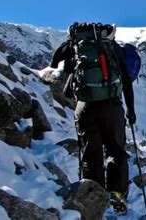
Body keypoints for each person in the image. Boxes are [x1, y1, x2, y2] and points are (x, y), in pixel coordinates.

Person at [49, 22, 136, 215]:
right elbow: (127, 81)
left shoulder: (75, 48)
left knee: (91, 153)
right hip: (111, 107)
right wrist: (131, 111)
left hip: (85, 108)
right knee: (116, 151)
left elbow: (61, 77)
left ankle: (93, 197)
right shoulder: (113, 49)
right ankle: (116, 193)